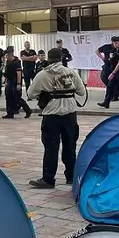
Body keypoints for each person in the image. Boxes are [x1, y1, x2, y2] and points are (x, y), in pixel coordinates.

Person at [27, 48, 87, 189]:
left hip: (51, 114)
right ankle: (71, 176)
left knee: (51, 147)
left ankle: (48, 179)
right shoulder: (71, 72)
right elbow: (81, 91)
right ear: (61, 59)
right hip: (70, 113)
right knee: (70, 146)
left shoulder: (43, 75)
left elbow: (30, 93)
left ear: (49, 59)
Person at [97, 36, 119, 109]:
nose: (114, 44)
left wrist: (113, 73)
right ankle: (106, 102)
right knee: (110, 86)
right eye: (113, 43)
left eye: (116, 43)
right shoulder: (116, 51)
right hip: (114, 72)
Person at [3, 46, 32, 119]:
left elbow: (19, 73)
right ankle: (10, 113)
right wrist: (6, 82)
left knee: (17, 97)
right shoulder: (7, 62)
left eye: (7, 55)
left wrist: (19, 84)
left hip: (15, 81)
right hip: (9, 81)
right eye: (6, 55)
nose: (6, 56)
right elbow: (6, 73)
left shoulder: (16, 61)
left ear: (11, 54)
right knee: (8, 97)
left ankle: (28, 110)